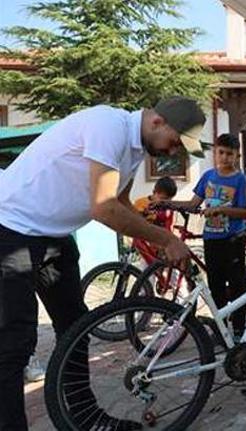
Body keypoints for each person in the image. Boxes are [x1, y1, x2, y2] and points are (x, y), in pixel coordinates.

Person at [0, 96, 203, 430]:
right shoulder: (108, 126)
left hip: (52, 236)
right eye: (175, 142)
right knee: (14, 343)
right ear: (157, 122)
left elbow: (120, 203)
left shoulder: (136, 149)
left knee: (75, 328)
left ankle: (86, 418)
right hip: (11, 230)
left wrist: (151, 231)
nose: (172, 152)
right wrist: (166, 238)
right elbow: (104, 208)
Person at [168, 133, 246, 338]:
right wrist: (168, 204)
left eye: (229, 154)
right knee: (216, 287)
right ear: (215, 153)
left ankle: (239, 330)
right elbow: (193, 204)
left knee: (237, 285)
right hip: (211, 240)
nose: (224, 157)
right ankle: (221, 331)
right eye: (220, 152)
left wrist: (222, 211)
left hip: (233, 240)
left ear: (237, 156)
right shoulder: (208, 176)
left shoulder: (240, 180)